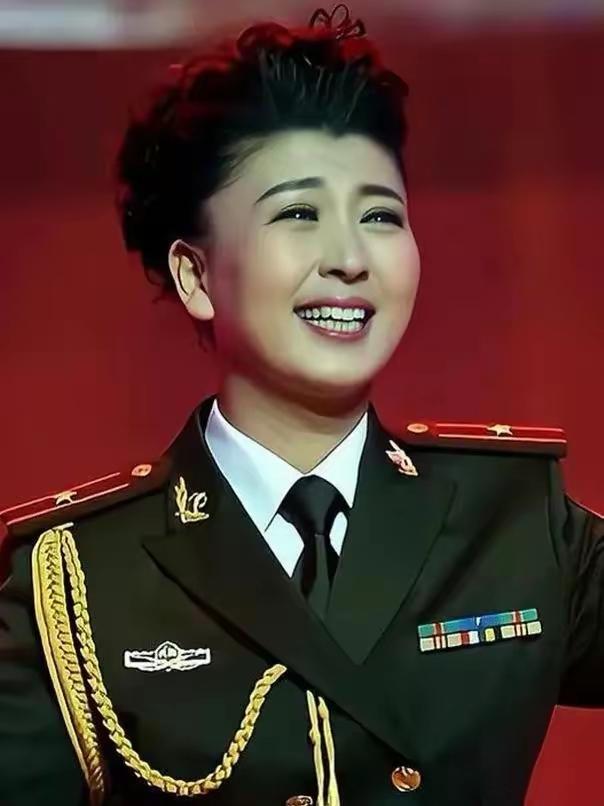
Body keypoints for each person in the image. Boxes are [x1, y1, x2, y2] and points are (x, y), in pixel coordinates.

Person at [0, 5, 602, 805]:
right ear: (195, 276)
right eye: (298, 213)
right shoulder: (74, 581)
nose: (350, 259)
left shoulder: (517, 521)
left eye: (380, 216)